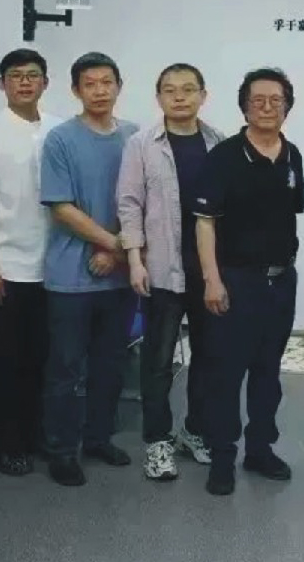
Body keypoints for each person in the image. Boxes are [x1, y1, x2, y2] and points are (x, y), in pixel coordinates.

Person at [196, 68, 304, 496]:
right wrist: (212, 279)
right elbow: (205, 222)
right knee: (227, 373)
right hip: (235, 280)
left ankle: (260, 449)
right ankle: (222, 457)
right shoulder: (224, 157)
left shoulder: (292, 155)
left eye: (276, 100)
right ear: (244, 106)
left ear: (287, 107)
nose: (266, 107)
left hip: (281, 281)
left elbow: (288, 214)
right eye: (257, 100)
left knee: (268, 371)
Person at [117, 63, 225, 481]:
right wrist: (134, 260)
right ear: (158, 96)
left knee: (209, 359)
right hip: (162, 269)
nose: (179, 97)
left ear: (203, 95)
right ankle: (157, 442)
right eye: (169, 90)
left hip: (208, 271)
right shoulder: (141, 144)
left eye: (188, 89)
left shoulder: (219, 142)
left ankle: (193, 431)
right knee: (158, 362)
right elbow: (129, 204)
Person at [39, 53, 139, 487]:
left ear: (119, 86)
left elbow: (142, 202)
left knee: (110, 365)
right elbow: (61, 207)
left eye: (106, 82)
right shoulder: (61, 139)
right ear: (76, 90)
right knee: (66, 368)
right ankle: (62, 449)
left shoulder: (135, 137)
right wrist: (111, 243)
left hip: (120, 275)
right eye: (90, 84)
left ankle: (99, 438)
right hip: (70, 277)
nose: (99, 91)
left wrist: (115, 254)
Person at [0, 48, 62, 477]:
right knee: (6, 360)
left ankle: (39, 433)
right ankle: (9, 442)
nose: (25, 82)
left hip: (55, 266)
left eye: (33, 75)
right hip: (6, 264)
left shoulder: (60, 129)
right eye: (16, 75)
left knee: (44, 358)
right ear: (1, 84)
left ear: (46, 83)